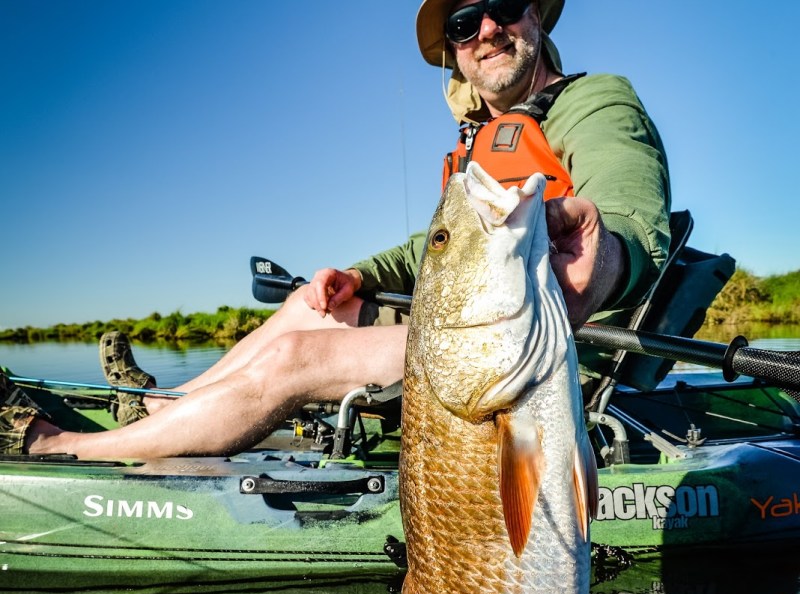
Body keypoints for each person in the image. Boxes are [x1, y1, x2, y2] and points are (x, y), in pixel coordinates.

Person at [0, 0, 670, 459]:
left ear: (536, 16)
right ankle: (160, 416)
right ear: (456, 53)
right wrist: (358, 277)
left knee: (297, 360)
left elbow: (631, 226)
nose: (488, 28)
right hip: (464, 332)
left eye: (504, 5)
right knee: (310, 304)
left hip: (540, 350)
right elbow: (428, 252)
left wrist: (605, 255)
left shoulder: (597, 101)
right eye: (465, 22)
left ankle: (65, 446)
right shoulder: (481, 143)